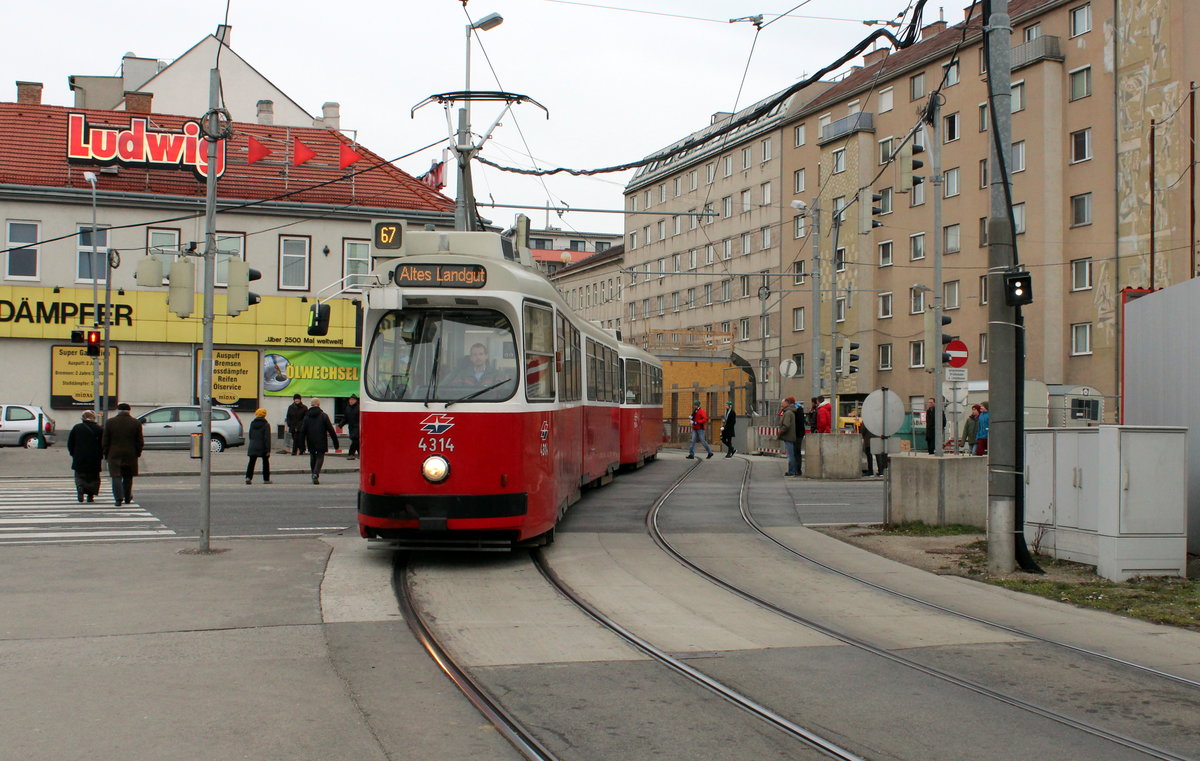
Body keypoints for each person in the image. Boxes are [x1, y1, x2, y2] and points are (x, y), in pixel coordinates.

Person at [102, 402, 143, 507]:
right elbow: (140, 441)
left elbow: (105, 440)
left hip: (114, 453)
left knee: (116, 476)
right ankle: (127, 497)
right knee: (128, 476)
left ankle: (118, 499)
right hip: (130, 453)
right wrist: (137, 452)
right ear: (129, 411)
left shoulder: (110, 422)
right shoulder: (136, 423)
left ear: (118, 410)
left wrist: (106, 453)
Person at [67, 410, 103, 503]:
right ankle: (90, 495)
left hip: (79, 456)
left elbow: (70, 443)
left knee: (79, 475)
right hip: (94, 457)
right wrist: (101, 454)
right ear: (94, 418)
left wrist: (73, 453)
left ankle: (80, 487)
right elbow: (102, 444)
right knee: (94, 477)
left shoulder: (77, 428)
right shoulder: (99, 429)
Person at [300, 398, 338, 484]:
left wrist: (302, 446)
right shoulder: (323, 416)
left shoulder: (307, 417)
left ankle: (313, 473)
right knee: (320, 457)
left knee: (312, 456)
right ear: (319, 404)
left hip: (310, 440)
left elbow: (302, 431)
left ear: (311, 404)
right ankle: (315, 474)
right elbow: (331, 430)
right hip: (321, 439)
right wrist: (336, 443)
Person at [245, 408, 272, 484]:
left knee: (251, 462)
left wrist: (252, 442)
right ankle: (266, 479)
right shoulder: (266, 424)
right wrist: (268, 450)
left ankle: (248, 477)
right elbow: (267, 438)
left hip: (253, 445)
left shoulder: (252, 423)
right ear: (264, 415)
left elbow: (250, 435)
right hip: (262, 446)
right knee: (265, 462)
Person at [779, 397, 801, 476]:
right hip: (791, 436)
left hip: (788, 436)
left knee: (790, 455)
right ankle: (792, 470)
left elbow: (786, 425)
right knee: (792, 454)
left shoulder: (788, 413)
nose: (781, 405)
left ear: (786, 403)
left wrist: (781, 431)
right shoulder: (790, 411)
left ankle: (792, 471)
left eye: (782, 403)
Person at [343, 394, 360, 460]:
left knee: (355, 439)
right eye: (350, 399)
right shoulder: (348, 408)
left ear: (356, 400)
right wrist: (340, 425)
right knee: (356, 441)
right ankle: (361, 454)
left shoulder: (359, 407)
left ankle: (351, 454)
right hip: (351, 427)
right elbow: (345, 418)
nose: (351, 401)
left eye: (352, 400)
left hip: (357, 427)